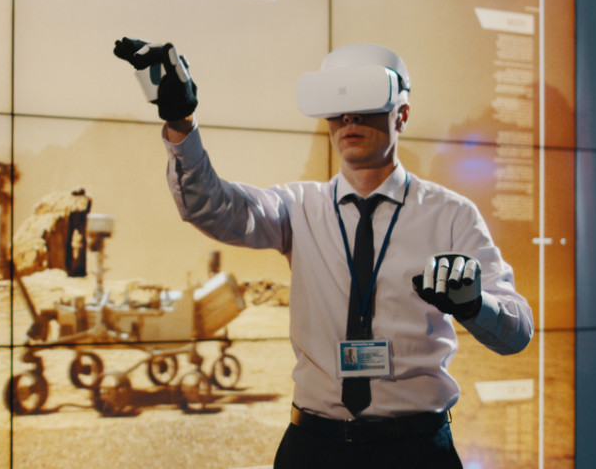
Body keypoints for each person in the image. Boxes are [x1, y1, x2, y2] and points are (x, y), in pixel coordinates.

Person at [114, 37, 533, 469]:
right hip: (313, 450)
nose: (349, 115)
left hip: (416, 451)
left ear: (402, 114)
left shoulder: (451, 215)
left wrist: (474, 304)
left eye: (366, 99)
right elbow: (210, 206)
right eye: (337, 102)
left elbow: (517, 332)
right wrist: (180, 121)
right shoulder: (297, 207)